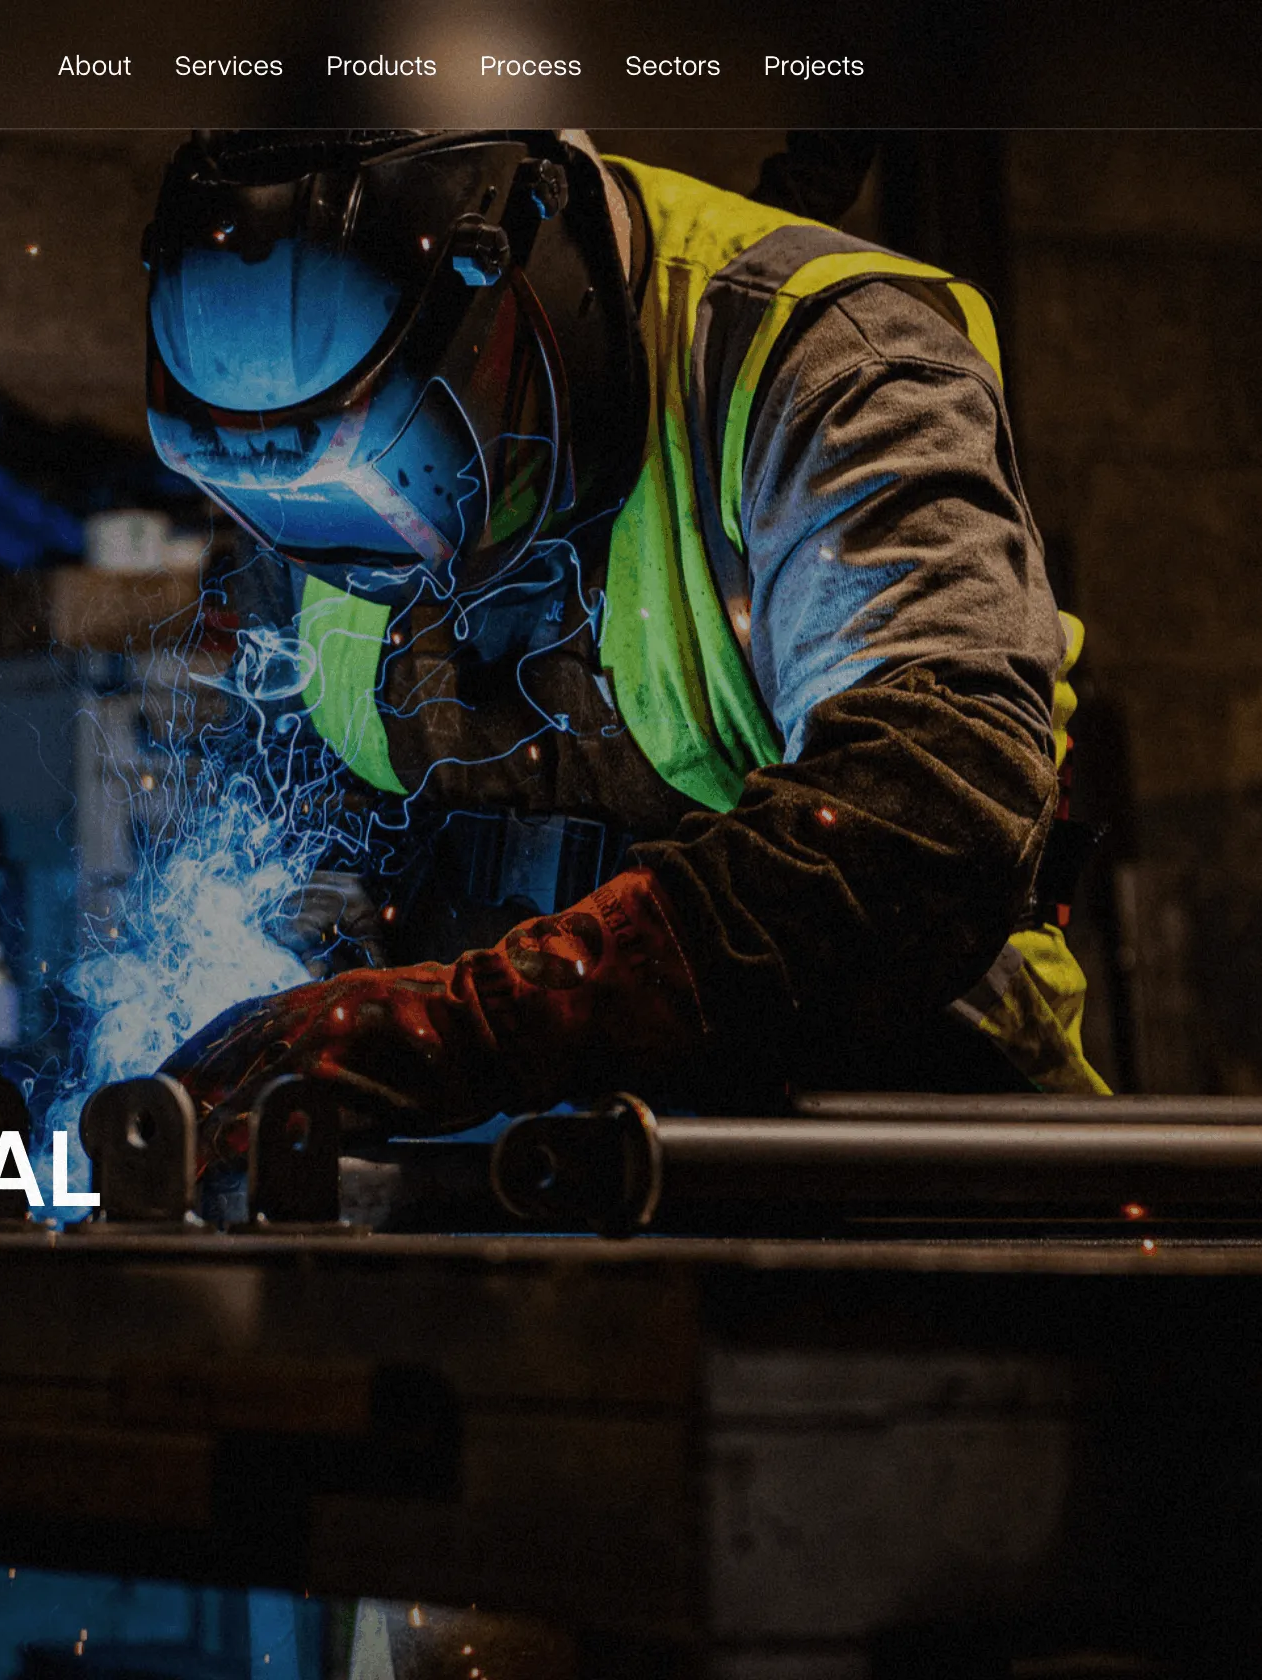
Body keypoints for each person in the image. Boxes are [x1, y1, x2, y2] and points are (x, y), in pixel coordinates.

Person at [140, 130, 1103, 1157]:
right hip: (517, 1164)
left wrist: (475, 1024)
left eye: (394, 467)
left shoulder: (834, 362)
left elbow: (933, 813)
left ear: (528, 289)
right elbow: (307, 820)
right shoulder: (283, 438)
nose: (361, 547)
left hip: (889, 1140)